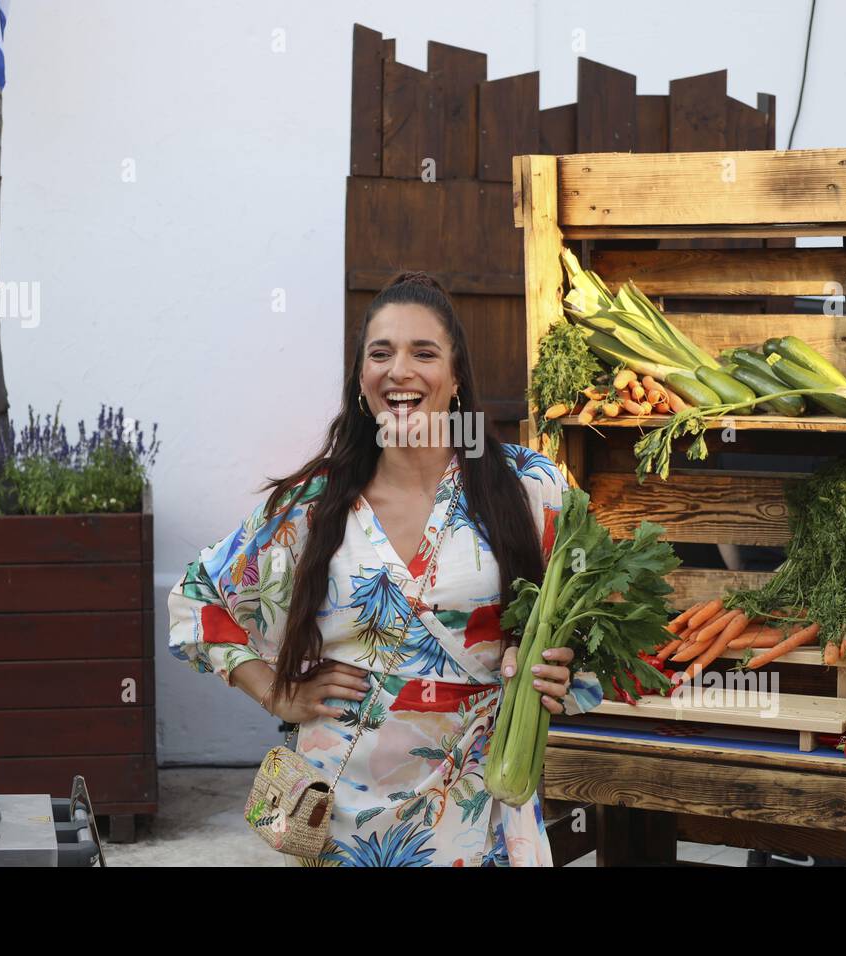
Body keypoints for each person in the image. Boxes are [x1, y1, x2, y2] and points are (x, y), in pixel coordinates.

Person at [168, 271, 602, 866]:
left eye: (424, 353)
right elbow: (197, 600)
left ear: (455, 379)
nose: (400, 371)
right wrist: (274, 692)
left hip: (479, 808)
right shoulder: (311, 505)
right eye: (381, 354)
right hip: (339, 817)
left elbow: (597, 610)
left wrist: (561, 670)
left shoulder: (530, 488)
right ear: (361, 381)